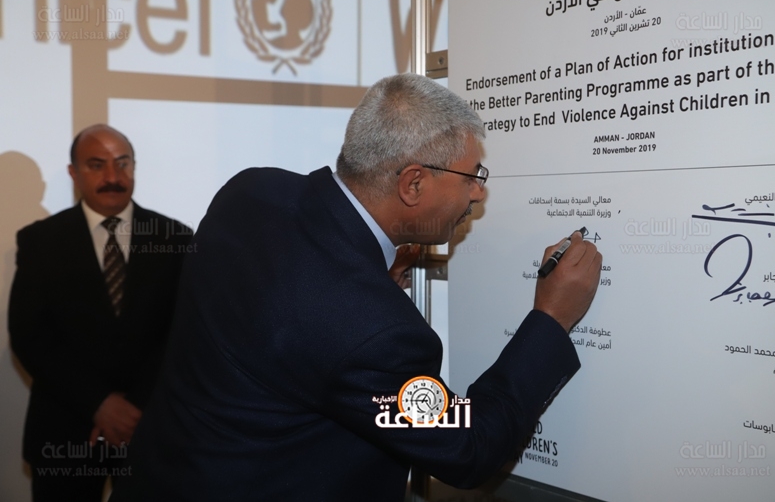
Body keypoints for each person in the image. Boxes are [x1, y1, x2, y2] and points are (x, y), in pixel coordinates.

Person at [110, 74, 601, 502]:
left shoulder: (251, 192)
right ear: (412, 184)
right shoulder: (373, 332)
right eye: (471, 177)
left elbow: (290, 303)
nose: (478, 191)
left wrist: (368, 275)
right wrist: (551, 318)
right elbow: (468, 447)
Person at [7, 124, 193, 502]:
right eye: (97, 165)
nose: (113, 176)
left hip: (150, 429)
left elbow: (184, 332)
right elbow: (30, 335)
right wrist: (100, 404)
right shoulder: (40, 241)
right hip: (65, 432)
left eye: (122, 163)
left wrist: (134, 407)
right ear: (73, 173)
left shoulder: (176, 238)